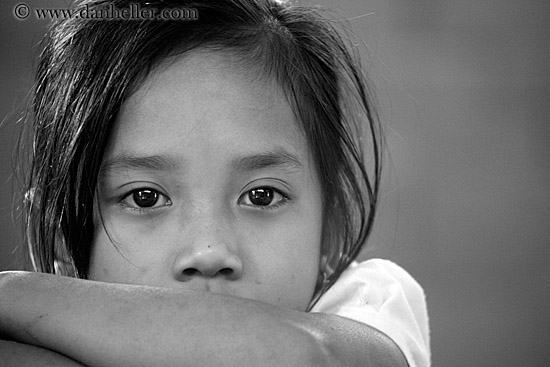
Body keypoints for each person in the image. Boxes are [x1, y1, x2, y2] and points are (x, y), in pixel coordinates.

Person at [0, 0, 430, 365]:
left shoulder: (370, 307)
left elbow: (306, 355)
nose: (209, 252)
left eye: (262, 196)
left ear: (332, 228)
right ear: (59, 242)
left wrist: (9, 292)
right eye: (145, 197)